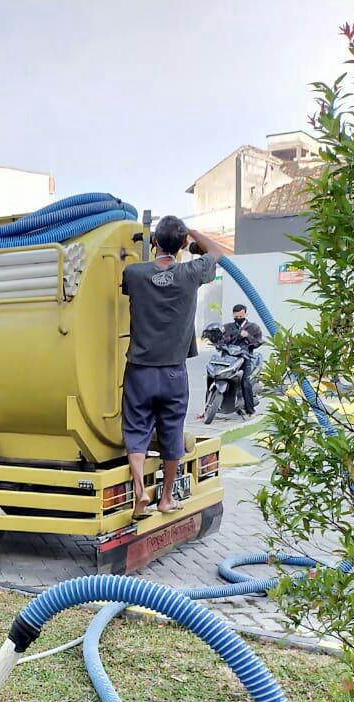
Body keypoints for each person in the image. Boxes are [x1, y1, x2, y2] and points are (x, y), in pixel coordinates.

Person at [120, 216, 227, 518]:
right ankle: (165, 498)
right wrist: (191, 234)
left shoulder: (134, 274)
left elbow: (133, 282)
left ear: (153, 242)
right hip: (173, 372)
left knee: (136, 429)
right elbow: (217, 252)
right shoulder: (191, 272)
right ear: (181, 244)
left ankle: (140, 491)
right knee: (171, 433)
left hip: (140, 369)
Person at [223, 304, 264, 417]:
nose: (238, 318)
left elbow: (257, 342)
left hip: (245, 358)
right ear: (233, 315)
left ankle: (250, 410)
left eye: (241, 316)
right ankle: (207, 409)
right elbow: (220, 340)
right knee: (214, 376)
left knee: (245, 382)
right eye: (236, 316)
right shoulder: (227, 327)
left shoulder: (253, 327)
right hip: (228, 358)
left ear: (245, 314)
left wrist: (247, 336)